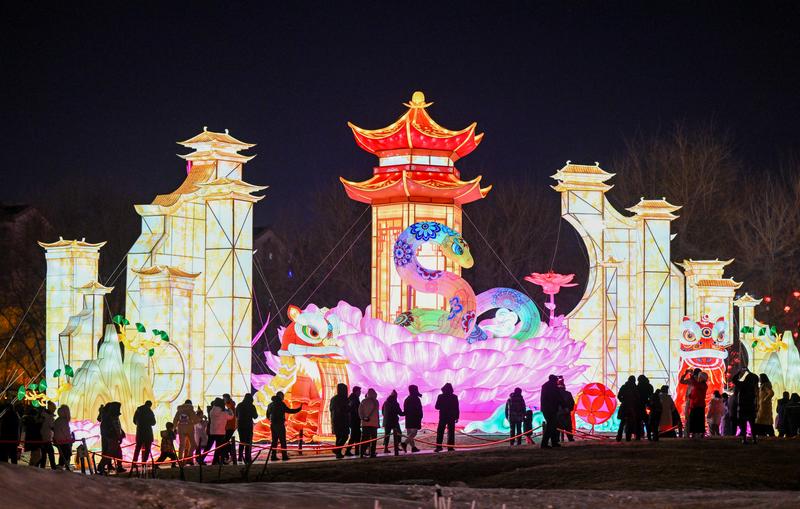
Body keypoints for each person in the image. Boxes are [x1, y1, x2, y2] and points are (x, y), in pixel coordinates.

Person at [266, 391, 302, 461]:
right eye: (283, 396)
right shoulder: (281, 404)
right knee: (283, 440)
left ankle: (273, 456)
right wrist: (299, 409)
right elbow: (289, 411)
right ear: (280, 396)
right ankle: (284, 456)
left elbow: (267, 415)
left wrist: (272, 420)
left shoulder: (270, 404)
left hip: (273, 425)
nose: (283, 398)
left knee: (274, 441)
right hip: (280, 424)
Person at [732, 369, 759, 444]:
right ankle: (754, 439)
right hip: (751, 407)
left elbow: (734, 380)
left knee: (743, 424)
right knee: (752, 424)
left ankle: (744, 439)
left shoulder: (742, 385)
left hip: (742, 407)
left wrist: (739, 372)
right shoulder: (753, 387)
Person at [97, 402, 125, 474]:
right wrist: (117, 434)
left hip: (113, 437)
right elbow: (114, 427)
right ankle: (101, 466)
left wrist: (121, 433)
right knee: (110, 453)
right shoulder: (109, 417)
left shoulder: (111, 416)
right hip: (112, 437)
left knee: (118, 452)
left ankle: (119, 466)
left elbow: (117, 426)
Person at [206, 398, 234, 464]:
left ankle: (201, 458)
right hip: (220, 432)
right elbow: (231, 417)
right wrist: (230, 410)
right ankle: (215, 461)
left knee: (208, 446)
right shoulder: (223, 412)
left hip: (212, 431)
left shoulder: (211, 411)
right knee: (218, 448)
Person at [434, 383, 459, 452]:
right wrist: (457, 417)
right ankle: (450, 447)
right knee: (451, 432)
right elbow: (456, 408)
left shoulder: (440, 396)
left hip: (443, 416)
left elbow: (436, 407)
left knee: (440, 432)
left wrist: (443, 406)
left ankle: (439, 447)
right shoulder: (454, 397)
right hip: (451, 416)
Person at [615, 376, 641, 442]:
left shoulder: (624, 387)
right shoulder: (635, 388)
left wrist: (623, 400)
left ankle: (619, 437)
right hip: (632, 407)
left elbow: (619, 396)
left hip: (624, 406)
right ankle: (628, 437)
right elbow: (638, 397)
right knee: (630, 423)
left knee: (622, 422)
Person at [684, 370, 708, 439]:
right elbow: (695, 392)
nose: (698, 378)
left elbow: (695, 385)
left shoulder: (702, 385)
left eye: (700, 377)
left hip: (698, 405)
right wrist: (690, 396)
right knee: (695, 420)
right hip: (695, 405)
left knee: (698, 420)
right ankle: (695, 434)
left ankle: (698, 434)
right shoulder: (700, 385)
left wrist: (691, 375)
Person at [329, 383, 350, 459]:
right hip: (343, 421)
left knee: (338, 437)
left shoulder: (333, 399)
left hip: (335, 420)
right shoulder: (344, 399)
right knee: (344, 436)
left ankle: (338, 452)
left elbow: (331, 409)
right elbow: (345, 409)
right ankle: (337, 450)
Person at [236, 393, 259, 464]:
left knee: (242, 441)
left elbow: (236, 414)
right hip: (248, 425)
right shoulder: (251, 406)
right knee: (248, 442)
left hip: (240, 425)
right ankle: (247, 457)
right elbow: (255, 416)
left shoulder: (239, 405)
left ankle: (240, 457)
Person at [541, 374, 562, 447]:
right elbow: (558, 397)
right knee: (551, 426)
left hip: (546, 409)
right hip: (552, 409)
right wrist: (564, 405)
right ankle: (546, 443)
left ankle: (552, 442)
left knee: (552, 425)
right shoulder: (553, 387)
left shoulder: (545, 386)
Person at [132, 400, 156, 465]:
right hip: (147, 432)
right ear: (150, 405)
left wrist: (139, 424)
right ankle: (144, 462)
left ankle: (134, 462)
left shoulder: (138, 410)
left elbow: (134, 421)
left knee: (137, 448)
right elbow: (153, 422)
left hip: (139, 432)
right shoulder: (149, 411)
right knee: (147, 449)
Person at [358, 388, 380, 458]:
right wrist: (378, 423)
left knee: (364, 439)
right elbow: (377, 414)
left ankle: (362, 452)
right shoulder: (376, 402)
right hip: (374, 423)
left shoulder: (363, 401)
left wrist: (363, 418)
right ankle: (372, 453)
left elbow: (360, 411)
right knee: (373, 439)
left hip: (365, 423)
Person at [381, 390, 404, 455]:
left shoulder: (385, 402)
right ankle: (396, 447)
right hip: (394, 421)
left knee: (387, 435)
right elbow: (400, 413)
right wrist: (407, 412)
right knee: (399, 433)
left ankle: (385, 448)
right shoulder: (395, 403)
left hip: (387, 421)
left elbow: (383, 412)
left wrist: (386, 417)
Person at [402, 385, 423, 453]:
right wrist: (420, 416)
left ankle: (413, 447)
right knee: (414, 433)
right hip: (414, 418)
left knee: (410, 434)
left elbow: (405, 410)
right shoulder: (416, 399)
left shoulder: (407, 399)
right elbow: (419, 409)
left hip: (408, 418)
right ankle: (405, 443)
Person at [38, 401, 57, 469]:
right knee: (51, 453)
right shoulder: (49, 417)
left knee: (43, 455)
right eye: (54, 409)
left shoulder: (43, 415)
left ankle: (42, 467)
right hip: (46, 438)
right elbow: (52, 426)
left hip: (43, 436)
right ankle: (53, 468)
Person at [53, 404, 72, 469]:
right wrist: (70, 439)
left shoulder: (57, 420)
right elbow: (66, 432)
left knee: (62, 454)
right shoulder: (64, 421)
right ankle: (63, 466)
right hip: (64, 441)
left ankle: (61, 465)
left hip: (58, 440)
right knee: (67, 454)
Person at [344, 386, 362, 457]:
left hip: (354, 420)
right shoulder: (354, 399)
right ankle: (348, 451)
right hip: (354, 420)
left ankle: (356, 451)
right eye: (359, 391)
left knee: (356, 435)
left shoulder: (353, 398)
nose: (360, 393)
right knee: (354, 436)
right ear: (356, 391)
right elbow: (354, 410)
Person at [558, 377, 575, 443]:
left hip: (559, 414)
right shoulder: (568, 393)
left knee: (558, 429)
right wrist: (568, 409)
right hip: (565, 414)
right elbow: (572, 404)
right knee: (568, 429)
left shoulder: (555, 394)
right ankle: (570, 439)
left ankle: (556, 441)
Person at [636, 375, 654, 439]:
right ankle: (649, 435)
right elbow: (651, 396)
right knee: (647, 422)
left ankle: (638, 436)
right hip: (646, 406)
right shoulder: (649, 386)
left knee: (638, 422)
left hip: (639, 406)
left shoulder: (638, 387)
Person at [222, 394, 238, 464]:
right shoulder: (230, 405)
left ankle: (230, 454)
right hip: (229, 426)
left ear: (227, 398)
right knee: (226, 441)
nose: (223, 400)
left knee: (225, 442)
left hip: (229, 426)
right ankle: (230, 454)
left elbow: (229, 415)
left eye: (224, 399)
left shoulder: (230, 405)